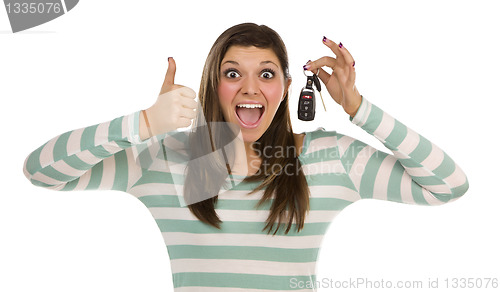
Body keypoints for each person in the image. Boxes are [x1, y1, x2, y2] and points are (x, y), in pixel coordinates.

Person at [23, 22, 469, 291]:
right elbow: (42, 172)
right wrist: (143, 124)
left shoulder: (331, 159)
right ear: (212, 84)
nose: (250, 88)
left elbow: (448, 185)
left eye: (267, 74)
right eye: (233, 73)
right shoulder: (165, 158)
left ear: (286, 88)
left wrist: (358, 109)